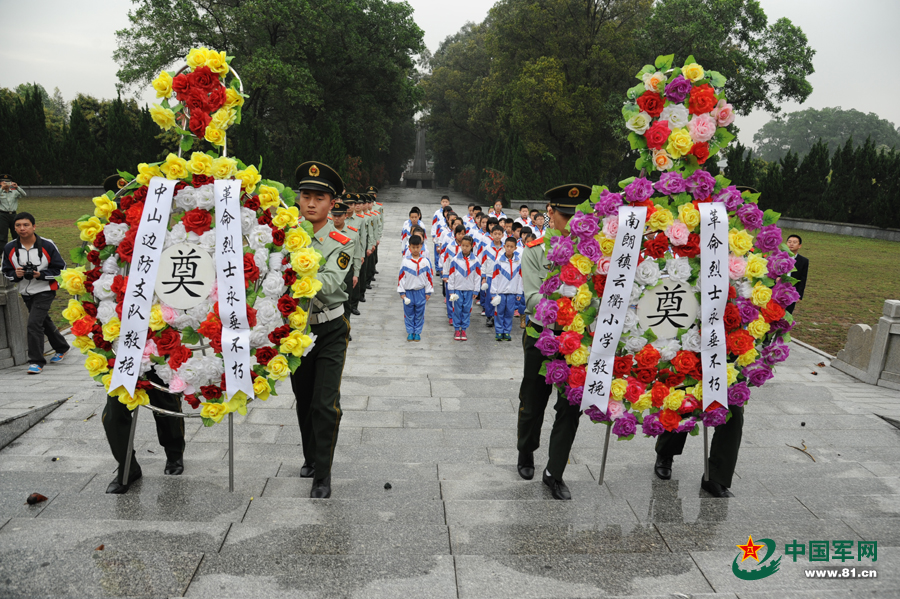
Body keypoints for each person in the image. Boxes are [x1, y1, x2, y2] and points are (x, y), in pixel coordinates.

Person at [517, 184, 591, 500]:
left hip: (575, 339)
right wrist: (559, 296)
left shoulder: (589, 250)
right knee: (533, 402)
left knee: (571, 405)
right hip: (541, 334)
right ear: (550, 212)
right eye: (564, 215)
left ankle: (554, 471)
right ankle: (526, 450)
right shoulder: (535, 250)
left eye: (575, 216)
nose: (570, 221)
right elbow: (532, 296)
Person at [290, 161, 354, 499]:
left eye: (319, 197)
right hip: (296, 331)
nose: (311, 203)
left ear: (332, 203)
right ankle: (311, 457)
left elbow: (328, 285)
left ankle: (323, 476)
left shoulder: (342, 240)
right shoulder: (284, 236)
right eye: (306, 196)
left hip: (330, 329)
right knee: (303, 399)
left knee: (325, 403)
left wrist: (288, 274)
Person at [1, 212, 69, 374]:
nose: (22, 229)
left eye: (26, 225)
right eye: (18, 225)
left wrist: (42, 274)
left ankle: (36, 361)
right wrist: (14, 275)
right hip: (25, 291)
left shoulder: (47, 245)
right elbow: (5, 270)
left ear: (34, 226)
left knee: (33, 324)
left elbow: (61, 269)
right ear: (15, 228)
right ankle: (62, 347)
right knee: (42, 321)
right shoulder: (10, 247)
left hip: (45, 290)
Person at [332, 197, 361, 332]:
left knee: (346, 303)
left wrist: (356, 274)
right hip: (330, 272)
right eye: (334, 215)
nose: (336, 219)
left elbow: (356, 255)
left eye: (339, 216)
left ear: (345, 215)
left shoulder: (352, 233)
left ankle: (345, 329)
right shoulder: (327, 230)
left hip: (347, 272)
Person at [445, 235, 481, 341]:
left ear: (472, 246)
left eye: (467, 246)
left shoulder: (476, 261)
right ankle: (457, 328)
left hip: (469, 290)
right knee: (457, 309)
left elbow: (477, 277)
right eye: (463, 245)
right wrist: (451, 290)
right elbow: (451, 276)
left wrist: (476, 290)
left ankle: (464, 328)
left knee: (467, 309)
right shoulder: (455, 260)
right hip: (457, 290)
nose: (464, 248)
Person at [398, 234, 433, 342]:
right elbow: (401, 277)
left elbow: (429, 278)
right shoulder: (405, 261)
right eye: (413, 247)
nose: (415, 249)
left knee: (419, 313)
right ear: (409, 247)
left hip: (421, 292)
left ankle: (417, 332)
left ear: (421, 247)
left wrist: (428, 292)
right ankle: (410, 331)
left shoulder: (425, 261)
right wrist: (402, 292)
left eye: (418, 247)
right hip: (408, 292)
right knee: (408, 313)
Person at [490, 237, 523, 341]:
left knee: (510, 312)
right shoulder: (499, 261)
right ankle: (499, 331)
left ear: (515, 248)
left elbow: (520, 278)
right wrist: (493, 293)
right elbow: (494, 278)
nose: (509, 249)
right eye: (507, 246)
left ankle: (507, 331)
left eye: (511, 247)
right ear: (504, 247)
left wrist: (519, 292)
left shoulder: (518, 261)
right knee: (499, 312)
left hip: (512, 292)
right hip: (500, 292)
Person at [786, 234, 808, 314]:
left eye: (794, 242)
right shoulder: (779, 257)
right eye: (789, 242)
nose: (791, 244)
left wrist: (799, 295)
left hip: (792, 292)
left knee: (788, 313)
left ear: (799, 246)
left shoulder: (803, 261)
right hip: (778, 289)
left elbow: (803, 279)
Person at [0, 175, 26, 242]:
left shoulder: (14, 191)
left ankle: (17, 249)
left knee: (16, 233)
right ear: (1, 183)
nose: (6, 184)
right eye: (4, 182)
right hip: (3, 215)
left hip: (13, 215)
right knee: (2, 235)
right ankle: (3, 251)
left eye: (8, 182)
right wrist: (2, 188)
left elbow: (24, 195)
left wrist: (17, 187)